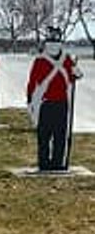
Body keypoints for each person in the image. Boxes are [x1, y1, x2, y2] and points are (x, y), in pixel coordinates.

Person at [27, 26, 81, 171]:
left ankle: (56, 163)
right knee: (46, 136)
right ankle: (47, 163)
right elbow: (32, 83)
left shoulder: (66, 59)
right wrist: (30, 100)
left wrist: (75, 73)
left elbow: (74, 76)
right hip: (48, 103)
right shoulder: (41, 60)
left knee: (59, 136)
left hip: (60, 103)